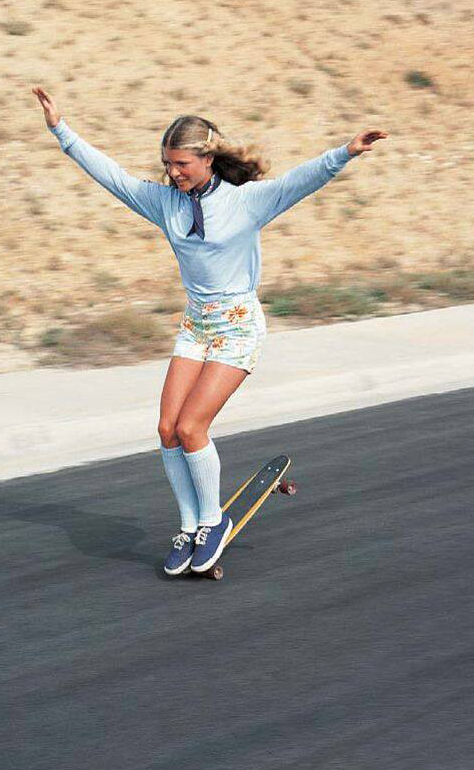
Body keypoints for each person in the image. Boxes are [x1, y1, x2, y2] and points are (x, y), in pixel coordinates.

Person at [32, 85, 387, 575]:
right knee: (166, 429)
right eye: (168, 164)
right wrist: (61, 130)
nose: (173, 173)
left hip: (238, 325)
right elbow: (110, 176)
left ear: (207, 159)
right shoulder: (164, 203)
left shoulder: (246, 203)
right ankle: (190, 525)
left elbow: (301, 181)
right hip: (196, 324)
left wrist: (344, 153)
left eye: (182, 164)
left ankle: (212, 522)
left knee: (192, 427)